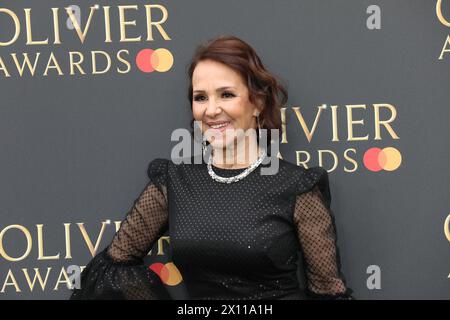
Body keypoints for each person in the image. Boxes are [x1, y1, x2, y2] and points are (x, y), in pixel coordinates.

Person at [70, 35, 353, 300]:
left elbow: (327, 289)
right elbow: (113, 269)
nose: (211, 109)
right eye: (201, 97)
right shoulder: (173, 181)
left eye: (226, 94)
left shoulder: (296, 187)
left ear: (257, 102)